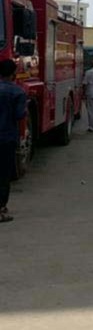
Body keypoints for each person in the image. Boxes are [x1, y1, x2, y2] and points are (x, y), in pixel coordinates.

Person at [0, 58, 26, 222]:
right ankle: (1, 209)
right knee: (3, 175)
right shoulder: (18, 92)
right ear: (13, 74)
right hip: (6, 138)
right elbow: (19, 115)